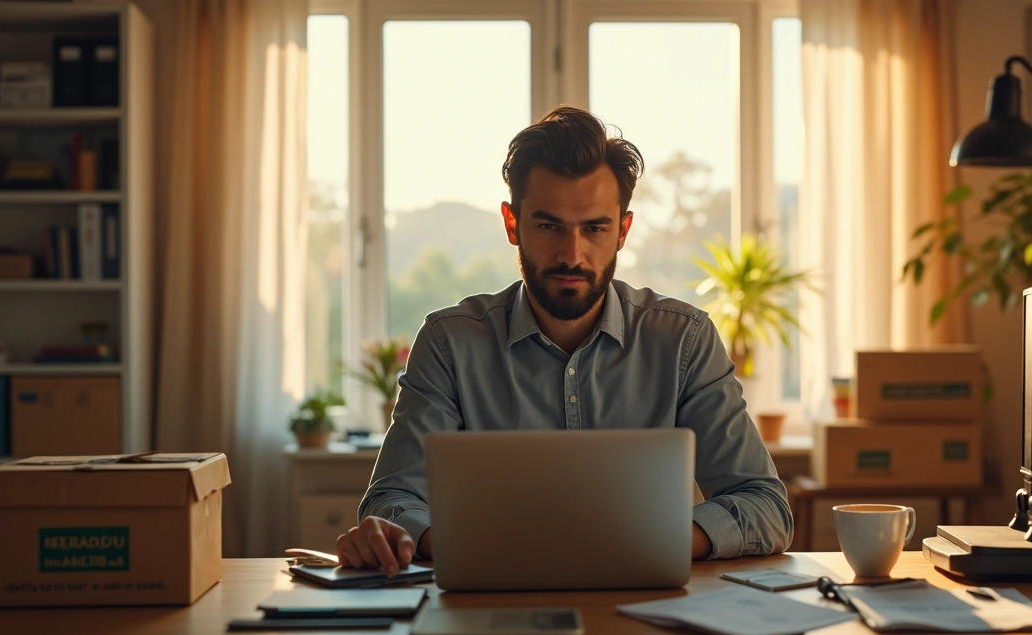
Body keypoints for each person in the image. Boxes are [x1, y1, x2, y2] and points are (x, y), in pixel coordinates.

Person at [335, 106, 793, 575]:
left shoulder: (684, 340)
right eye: (549, 226)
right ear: (513, 224)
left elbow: (765, 506)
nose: (572, 254)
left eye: (594, 228)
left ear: (623, 232)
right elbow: (390, 500)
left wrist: (656, 539)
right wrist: (446, 541)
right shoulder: (449, 343)